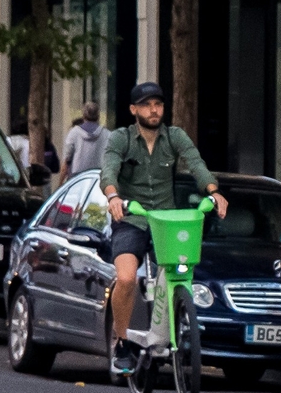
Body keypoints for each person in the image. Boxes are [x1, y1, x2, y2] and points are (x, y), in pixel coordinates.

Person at [99, 82, 226, 375]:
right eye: (146, 105)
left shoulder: (174, 136)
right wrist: (113, 196)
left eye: (158, 104)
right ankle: (121, 342)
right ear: (134, 110)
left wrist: (212, 190)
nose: (153, 110)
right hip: (131, 219)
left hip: (166, 222)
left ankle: (175, 328)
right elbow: (109, 169)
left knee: (180, 273)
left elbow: (195, 162)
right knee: (127, 278)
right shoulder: (122, 139)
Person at [62, 102, 108, 178]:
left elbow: (66, 162)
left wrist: (60, 185)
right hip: (99, 178)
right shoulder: (107, 134)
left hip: (77, 179)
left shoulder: (74, 133)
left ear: (83, 115)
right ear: (98, 116)